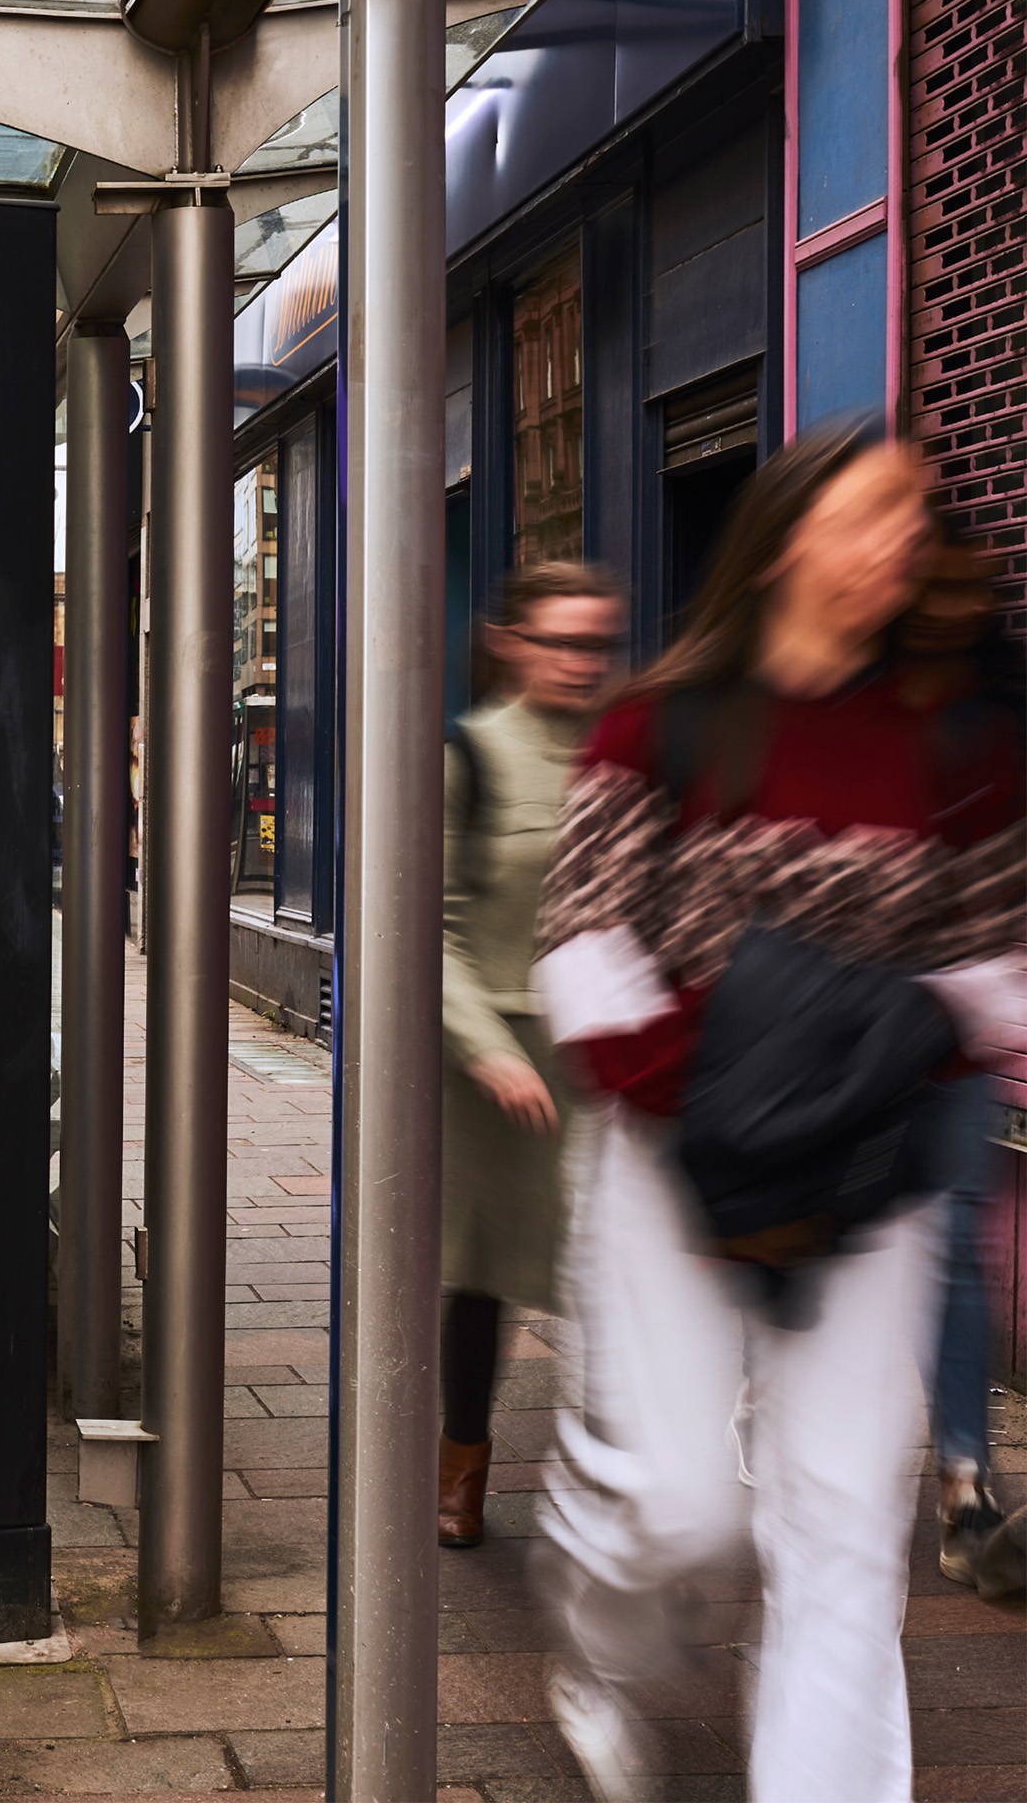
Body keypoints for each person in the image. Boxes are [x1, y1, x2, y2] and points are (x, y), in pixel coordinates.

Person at [530, 415, 1024, 1803]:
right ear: (791, 531)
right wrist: (720, 1089)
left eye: (915, 523)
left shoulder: (954, 745)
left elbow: (998, 963)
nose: (901, 546)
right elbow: (581, 949)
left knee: (843, 1528)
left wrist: (876, 1049)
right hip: (670, 1165)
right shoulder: (659, 722)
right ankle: (597, 1635)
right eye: (873, 513)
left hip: (870, 1179)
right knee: (680, 1504)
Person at [439, 561, 624, 1548]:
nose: (580, 662)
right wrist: (481, 1046)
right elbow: (428, 927)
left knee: (612, 1266)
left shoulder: (625, 753)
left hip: (600, 1055)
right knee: (483, 1275)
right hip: (497, 1062)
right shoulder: (470, 755)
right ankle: (460, 1460)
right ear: (508, 642)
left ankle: (608, 1479)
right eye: (560, 641)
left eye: (597, 643)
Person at [898, 525, 1022, 1579]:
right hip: (843, 1025)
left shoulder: (996, 724)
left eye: (960, 595)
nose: (943, 611)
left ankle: (963, 1479)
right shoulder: (853, 710)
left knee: (950, 1252)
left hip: (958, 1034)